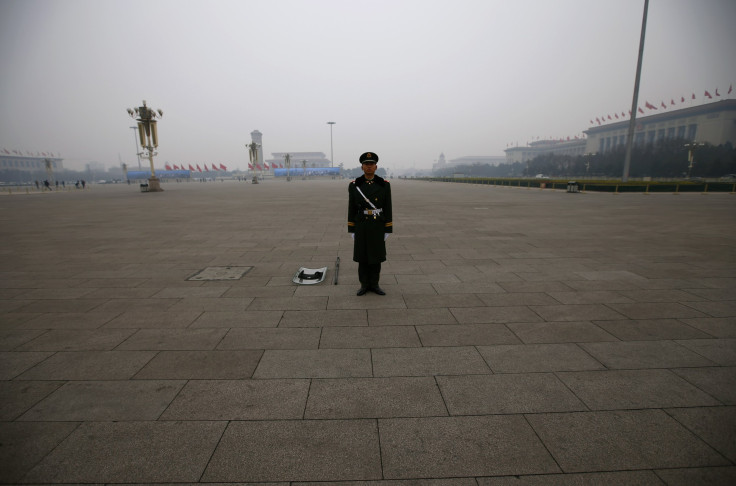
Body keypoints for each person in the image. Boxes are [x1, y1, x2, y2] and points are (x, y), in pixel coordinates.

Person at [347, 152, 393, 295]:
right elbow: (351, 208)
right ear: (362, 167)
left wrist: (388, 228)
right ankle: (364, 284)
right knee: (362, 256)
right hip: (361, 224)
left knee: (376, 256)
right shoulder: (355, 185)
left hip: (377, 224)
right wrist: (352, 228)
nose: (369, 167)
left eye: (371, 164)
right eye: (366, 164)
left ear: (376, 167)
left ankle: (375, 284)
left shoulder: (384, 185)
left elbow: (388, 206)